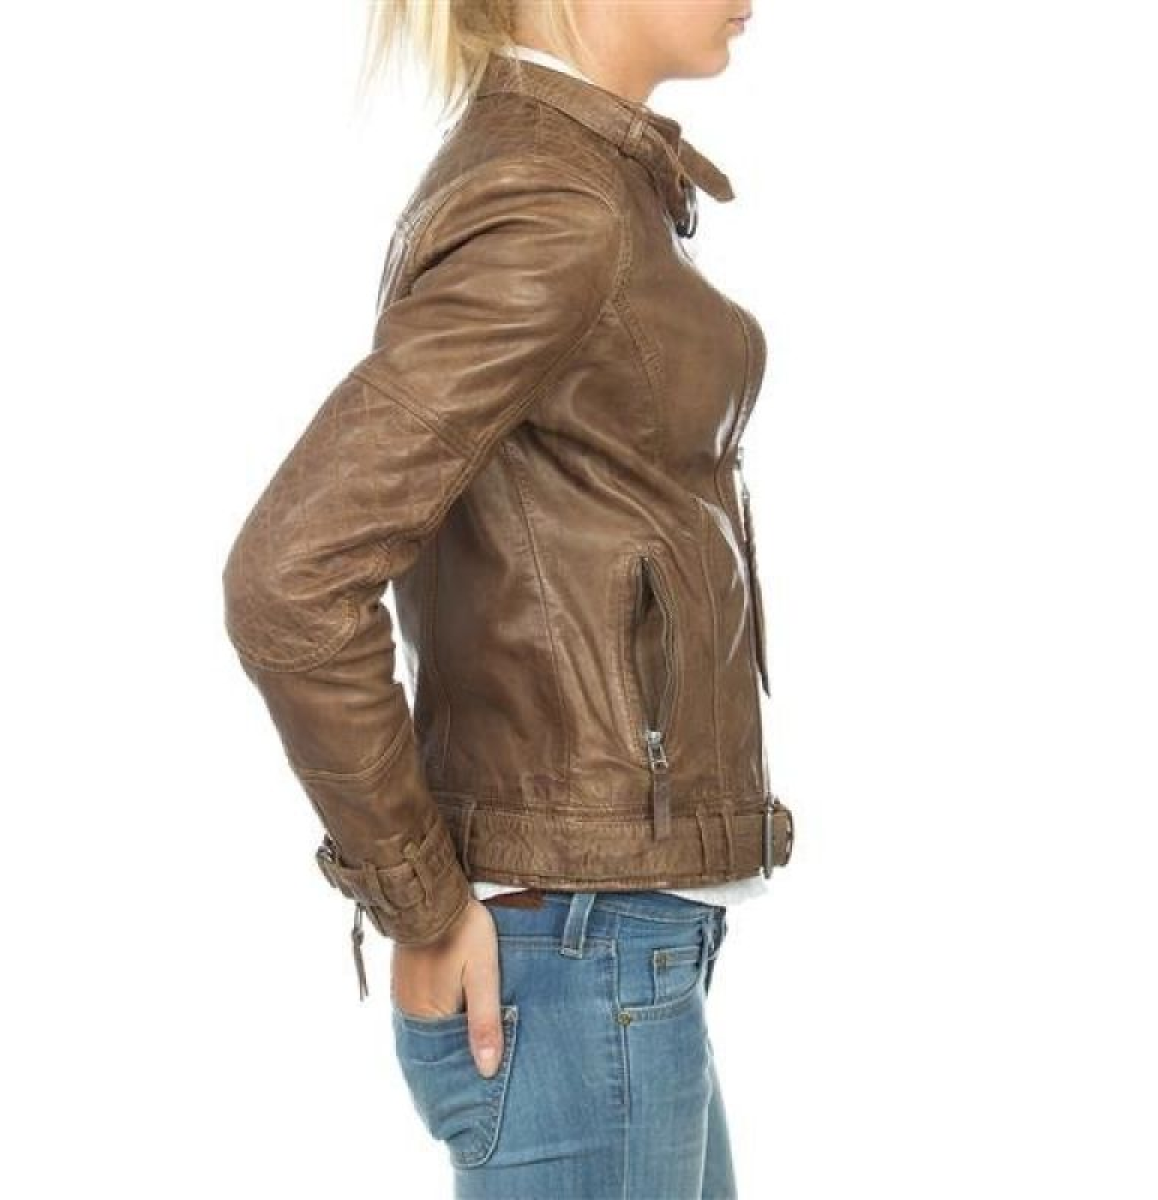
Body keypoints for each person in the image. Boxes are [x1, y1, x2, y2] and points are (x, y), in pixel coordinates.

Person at [221, 2, 795, 1195]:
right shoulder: (555, 201)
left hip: (610, 946)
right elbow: (292, 573)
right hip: (577, 954)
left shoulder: (584, 180)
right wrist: (424, 903)